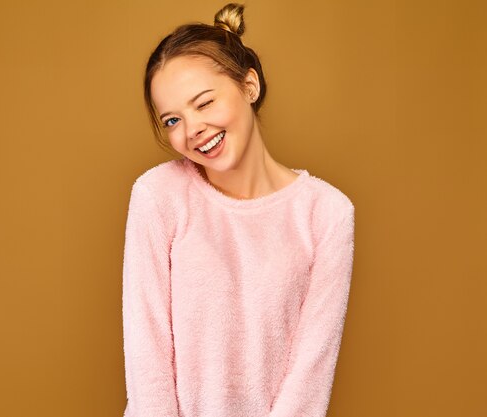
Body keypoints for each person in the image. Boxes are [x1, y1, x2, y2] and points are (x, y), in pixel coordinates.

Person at [121, 3, 355, 417]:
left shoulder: (327, 214)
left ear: (250, 86)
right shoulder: (159, 196)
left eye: (204, 103)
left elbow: (310, 374)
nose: (192, 130)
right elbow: (147, 356)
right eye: (172, 120)